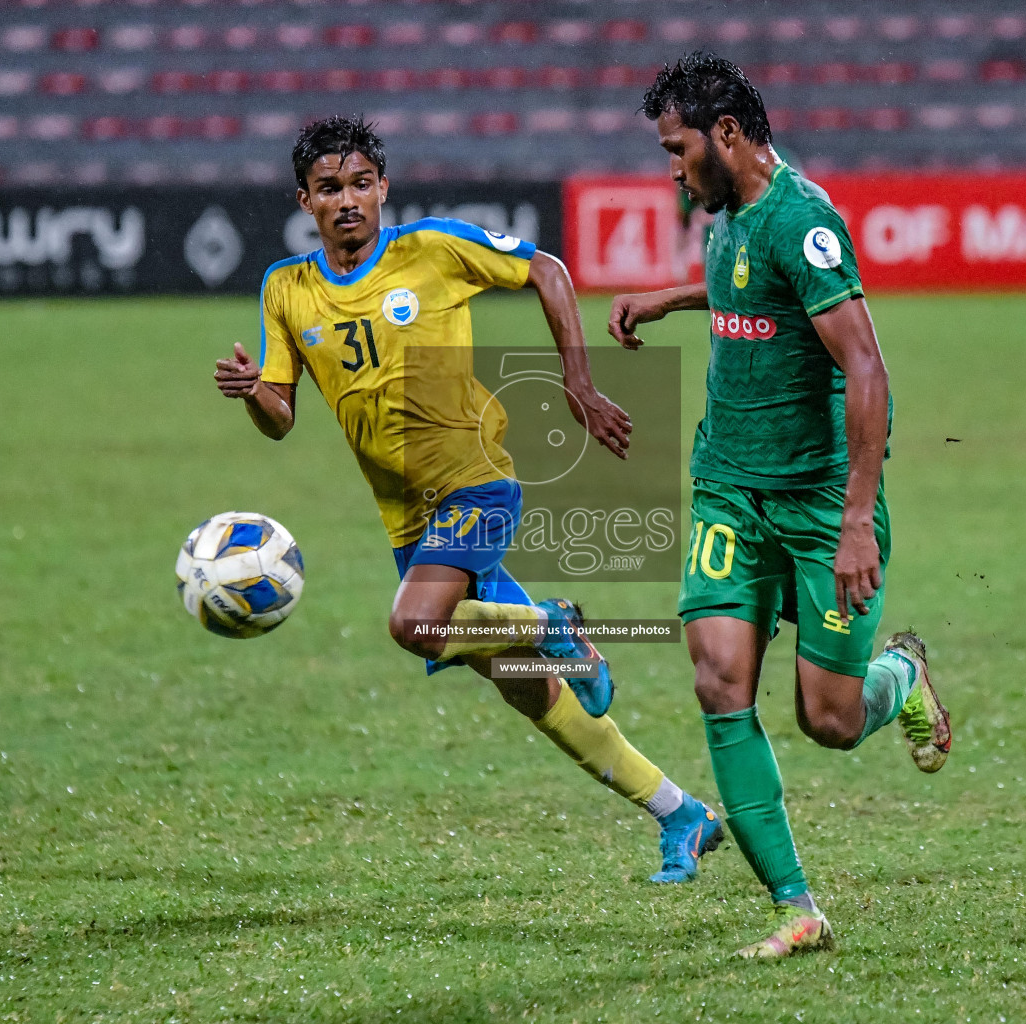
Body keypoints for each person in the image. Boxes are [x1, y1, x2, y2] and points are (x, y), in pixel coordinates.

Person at [214, 115, 724, 883]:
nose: (347, 200)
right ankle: (680, 813)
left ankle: (556, 622)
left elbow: (548, 269)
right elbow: (280, 419)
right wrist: (256, 391)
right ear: (304, 200)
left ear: (382, 187)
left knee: (416, 624)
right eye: (329, 189)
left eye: (359, 184)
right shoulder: (286, 290)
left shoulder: (432, 249)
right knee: (527, 689)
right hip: (406, 517)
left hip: (476, 481)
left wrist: (577, 383)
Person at [607, 54, 953, 956]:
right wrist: (666, 299)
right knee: (719, 679)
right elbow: (742, 294)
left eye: (677, 148)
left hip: (818, 504)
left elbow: (867, 367)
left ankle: (902, 676)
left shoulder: (803, 220)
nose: (671, 167)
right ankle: (796, 908)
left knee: (829, 720)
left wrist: (852, 520)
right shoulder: (728, 216)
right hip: (729, 487)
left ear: (727, 135)